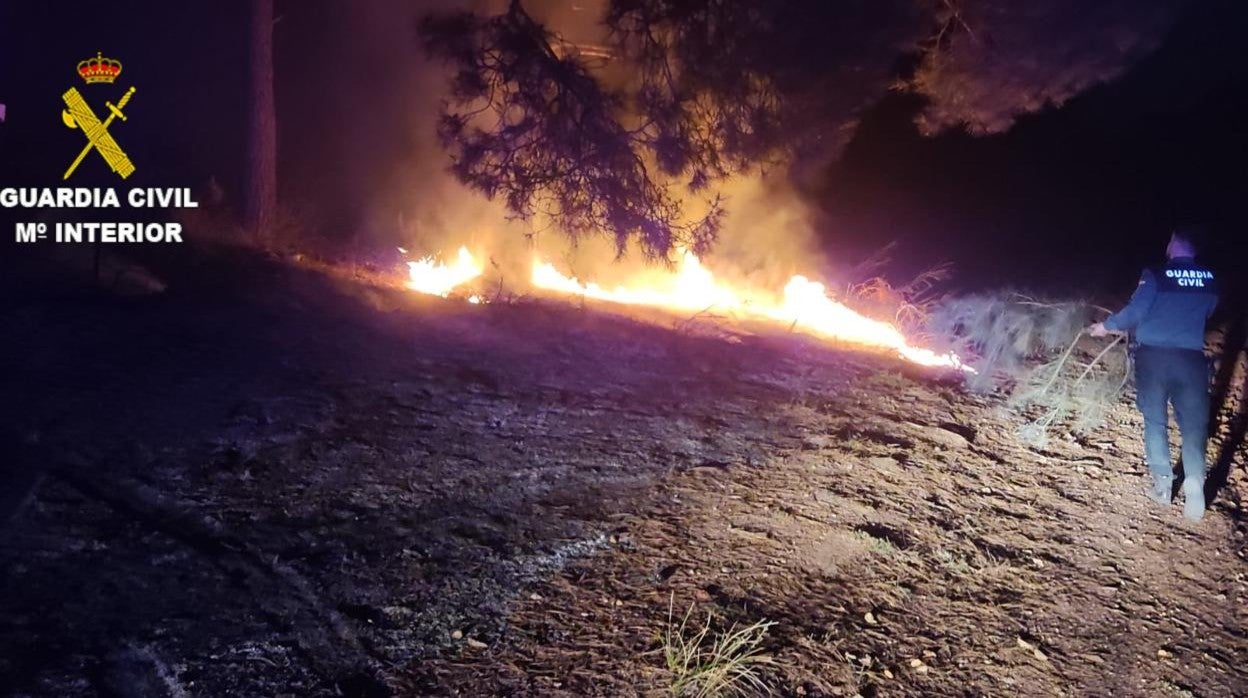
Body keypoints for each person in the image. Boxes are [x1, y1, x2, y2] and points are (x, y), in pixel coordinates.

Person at [1089, 228, 1218, 520]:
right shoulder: (1211, 279)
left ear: (1174, 244)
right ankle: (1195, 480)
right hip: (1191, 359)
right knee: (1194, 424)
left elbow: (1135, 312)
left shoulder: (1156, 274)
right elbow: (1209, 312)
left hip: (1154, 358)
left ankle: (1163, 485)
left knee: (1155, 419)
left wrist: (1106, 326)